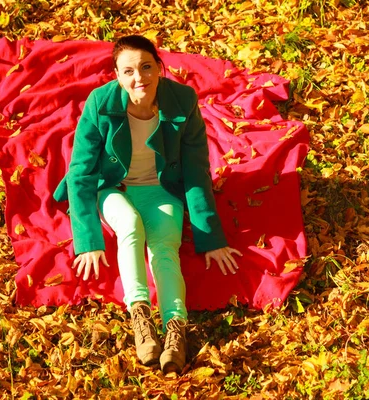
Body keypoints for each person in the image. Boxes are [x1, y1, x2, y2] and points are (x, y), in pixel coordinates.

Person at [53, 34, 242, 374]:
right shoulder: (100, 103)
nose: (138, 77)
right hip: (114, 187)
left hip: (162, 188)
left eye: (146, 67)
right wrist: (88, 241)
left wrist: (211, 237)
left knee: (165, 245)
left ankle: (175, 331)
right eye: (128, 71)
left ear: (159, 67)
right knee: (129, 227)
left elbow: (196, 169)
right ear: (117, 75)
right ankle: (140, 318)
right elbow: (81, 172)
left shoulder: (182, 100)